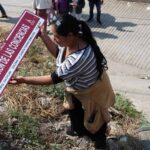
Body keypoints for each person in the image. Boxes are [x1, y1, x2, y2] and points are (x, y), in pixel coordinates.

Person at [9, 14, 115, 150]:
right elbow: (59, 53)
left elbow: (51, 79)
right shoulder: (73, 40)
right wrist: (43, 35)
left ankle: (100, 143)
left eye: (56, 36)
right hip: (78, 87)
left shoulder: (78, 58)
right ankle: (78, 129)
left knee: (96, 119)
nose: (54, 39)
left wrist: (23, 80)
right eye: (52, 34)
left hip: (93, 90)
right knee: (74, 109)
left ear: (70, 35)